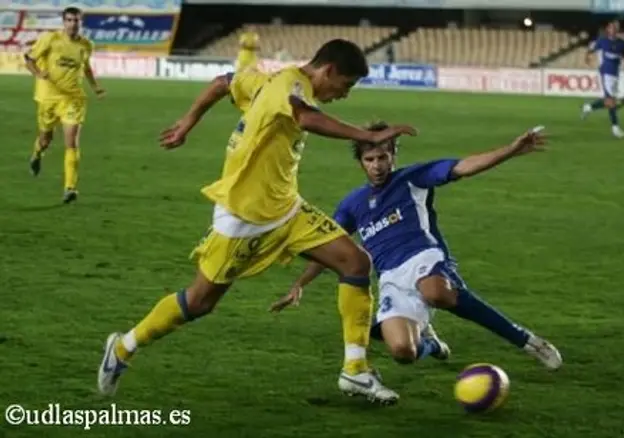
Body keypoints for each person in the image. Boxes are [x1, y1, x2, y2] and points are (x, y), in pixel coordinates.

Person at [97, 39, 417, 404]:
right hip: (244, 218)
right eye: (345, 85)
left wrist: (188, 122)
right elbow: (304, 117)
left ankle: (355, 372)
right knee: (199, 302)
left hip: (287, 210)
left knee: (356, 262)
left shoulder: (268, 80)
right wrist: (369, 135)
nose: (343, 95)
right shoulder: (292, 85)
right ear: (328, 71)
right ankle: (122, 348)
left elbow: (222, 82)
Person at [270, 122, 563, 371]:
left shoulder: (413, 178)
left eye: (383, 157)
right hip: (391, 278)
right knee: (402, 352)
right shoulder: (352, 204)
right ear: (361, 162)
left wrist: (511, 150)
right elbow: (330, 249)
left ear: (394, 155)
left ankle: (527, 341)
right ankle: (431, 343)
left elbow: (464, 167)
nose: (377, 166)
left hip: (424, 256)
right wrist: (300, 284)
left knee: (437, 292)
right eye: (370, 159)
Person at [24, 6, 105, 203]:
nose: (72, 24)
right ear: (63, 21)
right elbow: (29, 59)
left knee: (72, 142)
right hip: (48, 98)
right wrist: (38, 73)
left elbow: (86, 68)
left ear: (81, 22)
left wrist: (95, 87)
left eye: (76, 20)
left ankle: (70, 188)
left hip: (73, 99)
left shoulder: (86, 45)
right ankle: (37, 153)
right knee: (46, 139)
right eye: (69, 20)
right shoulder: (50, 39)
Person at [581, 19, 624, 138]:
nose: (613, 30)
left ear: (618, 30)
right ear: (608, 29)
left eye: (616, 28)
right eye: (612, 27)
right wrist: (587, 57)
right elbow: (591, 50)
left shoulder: (621, 43)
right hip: (606, 73)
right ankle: (615, 128)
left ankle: (589, 107)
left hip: (615, 74)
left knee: (610, 101)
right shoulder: (602, 41)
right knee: (611, 102)